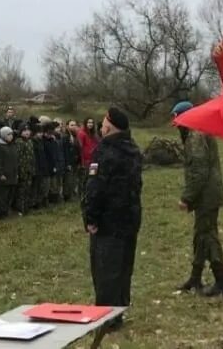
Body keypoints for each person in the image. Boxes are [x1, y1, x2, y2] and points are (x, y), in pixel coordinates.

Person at [83, 107, 142, 329]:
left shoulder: (105, 151)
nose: (101, 125)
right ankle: (119, 311)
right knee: (124, 268)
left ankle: (107, 318)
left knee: (105, 270)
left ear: (110, 125)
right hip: (130, 219)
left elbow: (96, 188)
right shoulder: (133, 150)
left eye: (104, 122)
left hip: (108, 223)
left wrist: (91, 218)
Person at [172, 101, 223, 297]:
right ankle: (195, 278)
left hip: (207, 196)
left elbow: (199, 171)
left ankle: (222, 283)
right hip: (207, 195)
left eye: (177, 119)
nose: (176, 124)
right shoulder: (197, 132)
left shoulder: (195, 136)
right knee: (201, 235)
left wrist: (186, 198)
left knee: (208, 236)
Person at [0, 127, 18, 218]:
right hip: (4, 175)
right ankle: (0, 212)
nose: (11, 136)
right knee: (2, 195)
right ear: (3, 135)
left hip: (13, 174)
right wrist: (0, 173)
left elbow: (15, 161)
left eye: (11, 134)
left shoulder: (13, 146)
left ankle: (6, 210)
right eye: (8, 134)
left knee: (10, 194)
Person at [14, 123, 35, 215]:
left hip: (29, 170)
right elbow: (17, 158)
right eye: (24, 130)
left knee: (28, 189)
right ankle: (20, 209)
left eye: (28, 130)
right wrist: (19, 171)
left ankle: (26, 207)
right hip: (21, 170)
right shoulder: (19, 142)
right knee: (21, 190)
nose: (27, 132)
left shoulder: (30, 142)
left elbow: (32, 157)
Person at [78, 117, 99, 193]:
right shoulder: (82, 133)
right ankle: (82, 193)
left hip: (94, 160)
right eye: (88, 122)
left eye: (92, 123)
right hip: (86, 161)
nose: (90, 124)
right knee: (85, 178)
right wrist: (82, 161)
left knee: (92, 178)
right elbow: (80, 148)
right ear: (85, 123)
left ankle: (90, 192)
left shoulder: (94, 134)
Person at [30, 124, 49, 210]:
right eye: (39, 132)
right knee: (35, 187)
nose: (40, 134)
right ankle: (34, 203)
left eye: (41, 132)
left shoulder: (41, 141)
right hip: (36, 167)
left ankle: (39, 201)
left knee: (40, 186)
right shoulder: (33, 142)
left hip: (41, 167)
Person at [62, 120, 82, 200]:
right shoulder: (65, 137)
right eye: (71, 125)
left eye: (74, 125)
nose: (73, 126)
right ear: (67, 126)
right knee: (68, 180)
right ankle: (67, 196)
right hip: (69, 161)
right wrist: (67, 163)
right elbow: (65, 151)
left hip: (75, 161)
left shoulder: (76, 136)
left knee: (73, 179)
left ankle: (72, 195)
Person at [42, 122, 60, 205]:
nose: (49, 135)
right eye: (48, 133)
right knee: (46, 185)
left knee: (54, 184)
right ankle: (44, 200)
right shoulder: (42, 142)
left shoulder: (53, 141)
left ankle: (53, 200)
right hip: (45, 167)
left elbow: (55, 154)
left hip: (53, 165)